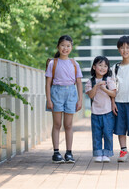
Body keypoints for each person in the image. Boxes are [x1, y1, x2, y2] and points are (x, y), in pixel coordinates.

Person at [45, 35, 83, 163]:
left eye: (68, 46)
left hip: (71, 94)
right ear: (58, 46)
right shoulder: (53, 63)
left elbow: (79, 82)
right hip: (56, 93)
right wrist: (49, 99)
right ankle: (56, 152)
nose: (65, 48)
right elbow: (48, 83)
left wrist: (80, 100)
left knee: (68, 125)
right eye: (62, 45)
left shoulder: (74, 63)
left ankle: (69, 152)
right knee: (57, 124)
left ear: (71, 47)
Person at [85, 56, 116, 163]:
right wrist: (97, 86)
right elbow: (90, 95)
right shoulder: (90, 81)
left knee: (107, 133)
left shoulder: (109, 80)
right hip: (95, 112)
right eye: (100, 65)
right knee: (96, 134)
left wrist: (104, 89)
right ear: (94, 67)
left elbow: (114, 93)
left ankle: (106, 154)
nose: (103, 68)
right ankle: (98, 153)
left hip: (108, 112)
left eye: (105, 66)